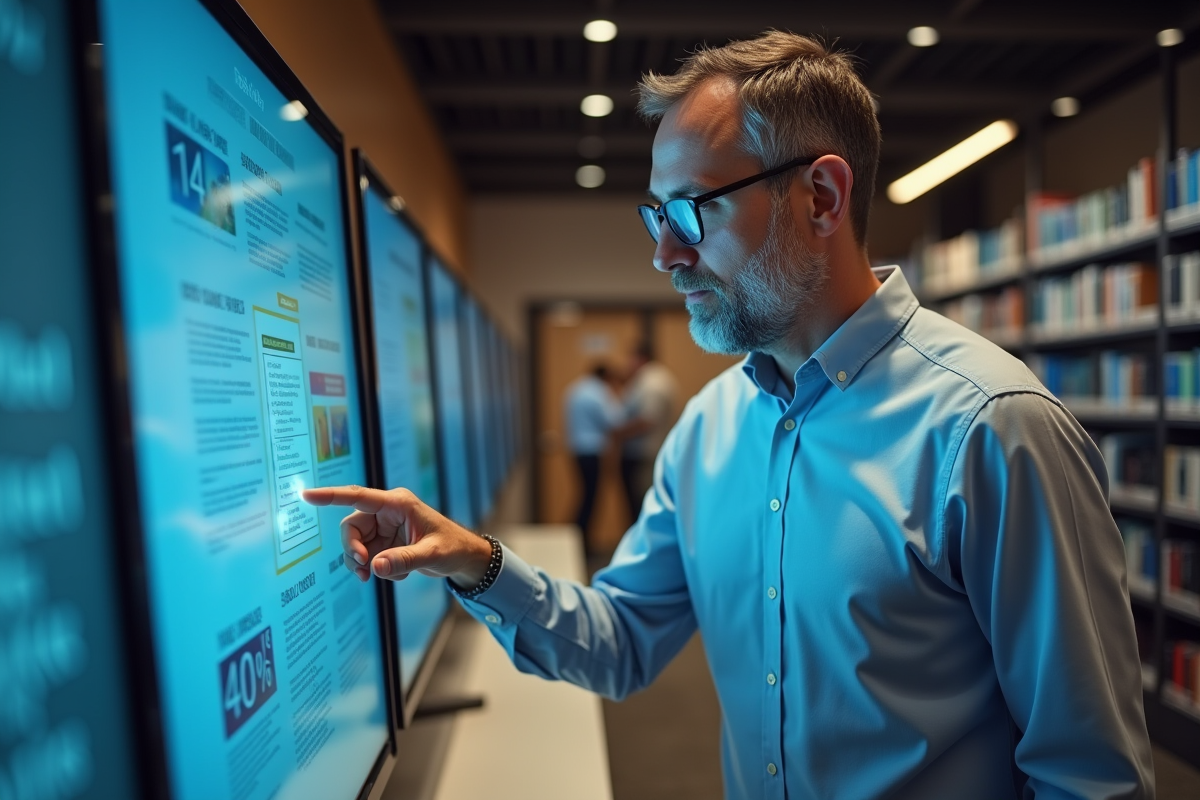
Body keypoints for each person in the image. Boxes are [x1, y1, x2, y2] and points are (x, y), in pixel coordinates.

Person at [305, 31, 1154, 800]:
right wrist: (473, 564)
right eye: (655, 214)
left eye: (690, 211)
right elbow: (620, 641)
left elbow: (1090, 777)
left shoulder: (992, 431)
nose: (665, 254)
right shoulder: (709, 431)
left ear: (821, 197)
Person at [562, 362, 623, 551]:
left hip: (577, 450)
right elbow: (615, 421)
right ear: (606, 377)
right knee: (590, 499)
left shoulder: (575, 388)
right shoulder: (598, 393)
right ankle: (581, 543)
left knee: (585, 496)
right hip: (592, 452)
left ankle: (577, 540)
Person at [618, 342, 678, 522]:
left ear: (640, 358)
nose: (627, 363)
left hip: (645, 455)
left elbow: (647, 421)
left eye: (630, 358)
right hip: (642, 454)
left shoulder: (653, 382)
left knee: (642, 507)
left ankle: (643, 549)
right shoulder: (647, 379)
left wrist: (616, 433)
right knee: (637, 506)